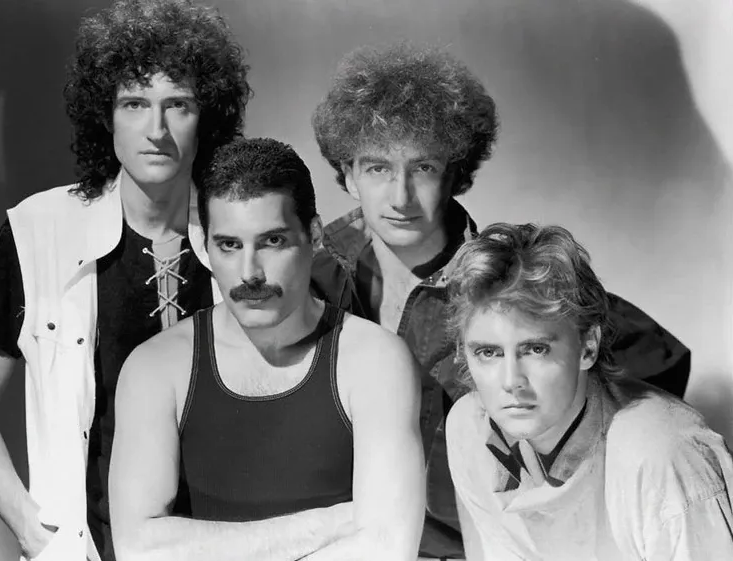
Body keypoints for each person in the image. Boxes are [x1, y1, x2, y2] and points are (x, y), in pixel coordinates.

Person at [310, 42, 692, 559]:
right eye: (378, 168)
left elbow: (653, 372)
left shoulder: (504, 286)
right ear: (348, 173)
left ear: (455, 174)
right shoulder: (314, 274)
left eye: (422, 167)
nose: (400, 197)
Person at [0, 1, 250, 560]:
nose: (156, 130)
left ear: (206, 116)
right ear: (105, 115)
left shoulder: (244, 234)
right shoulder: (39, 231)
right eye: (135, 104)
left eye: (178, 105)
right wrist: (33, 532)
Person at [108, 137, 425, 561]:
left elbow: (386, 548)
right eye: (229, 245)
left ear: (314, 236)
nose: (250, 273)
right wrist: (329, 524)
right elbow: (138, 548)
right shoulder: (156, 367)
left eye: (272, 241)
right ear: (205, 244)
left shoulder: (375, 361)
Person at [444, 222, 733, 560]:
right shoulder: (469, 428)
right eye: (488, 352)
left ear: (587, 346)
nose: (511, 381)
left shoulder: (660, 453)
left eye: (536, 349)